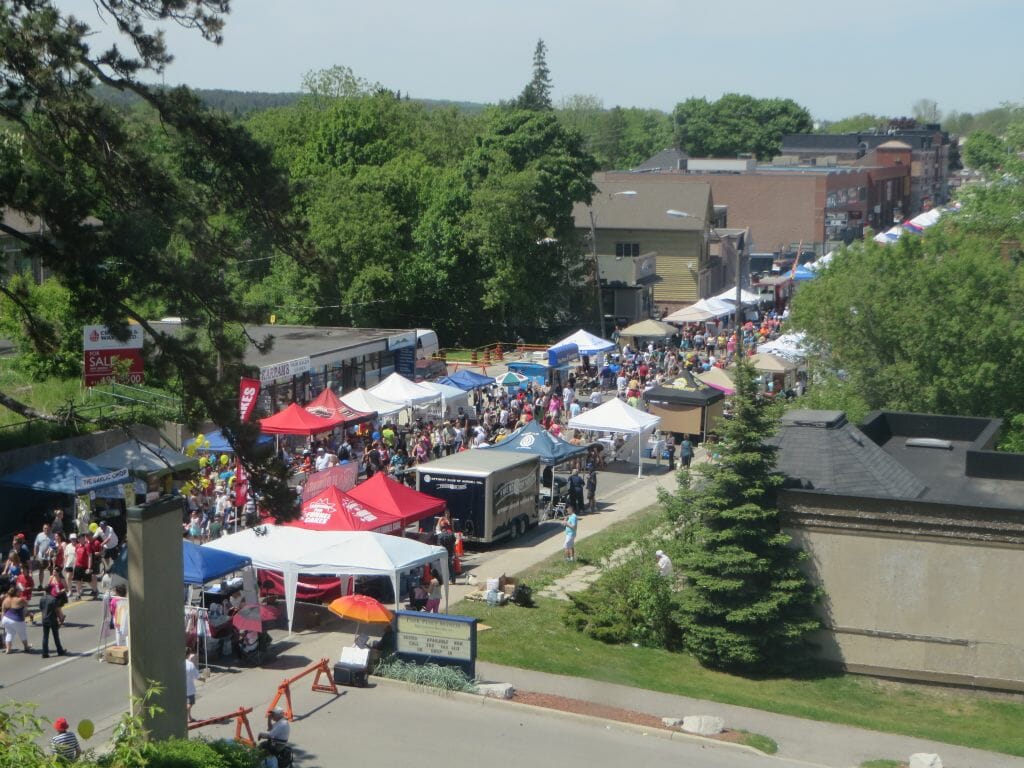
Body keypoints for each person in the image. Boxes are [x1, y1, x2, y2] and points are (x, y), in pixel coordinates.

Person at [39, 583, 67, 658]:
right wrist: (61, 619)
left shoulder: (42, 598)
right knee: (56, 636)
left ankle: (45, 653)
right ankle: (60, 650)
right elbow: (57, 610)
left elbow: (41, 609)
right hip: (52, 619)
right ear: (51, 590)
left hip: (44, 619)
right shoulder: (53, 599)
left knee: (45, 636)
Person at [2, 586, 31, 653]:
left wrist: (2, 620)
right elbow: (26, 606)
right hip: (16, 619)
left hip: (6, 619)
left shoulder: (6, 600)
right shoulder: (20, 600)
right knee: (22, 633)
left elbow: (3, 611)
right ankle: (26, 647)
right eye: (19, 591)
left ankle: (8, 649)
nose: (20, 592)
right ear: (16, 592)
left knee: (9, 633)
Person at [185, 650, 201, 721]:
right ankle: (185, 714)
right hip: (189, 689)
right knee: (190, 703)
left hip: (178, 688)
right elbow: (197, 676)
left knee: (187, 703)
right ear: (188, 654)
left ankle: (189, 718)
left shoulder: (176, 663)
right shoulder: (190, 664)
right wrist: (203, 679)